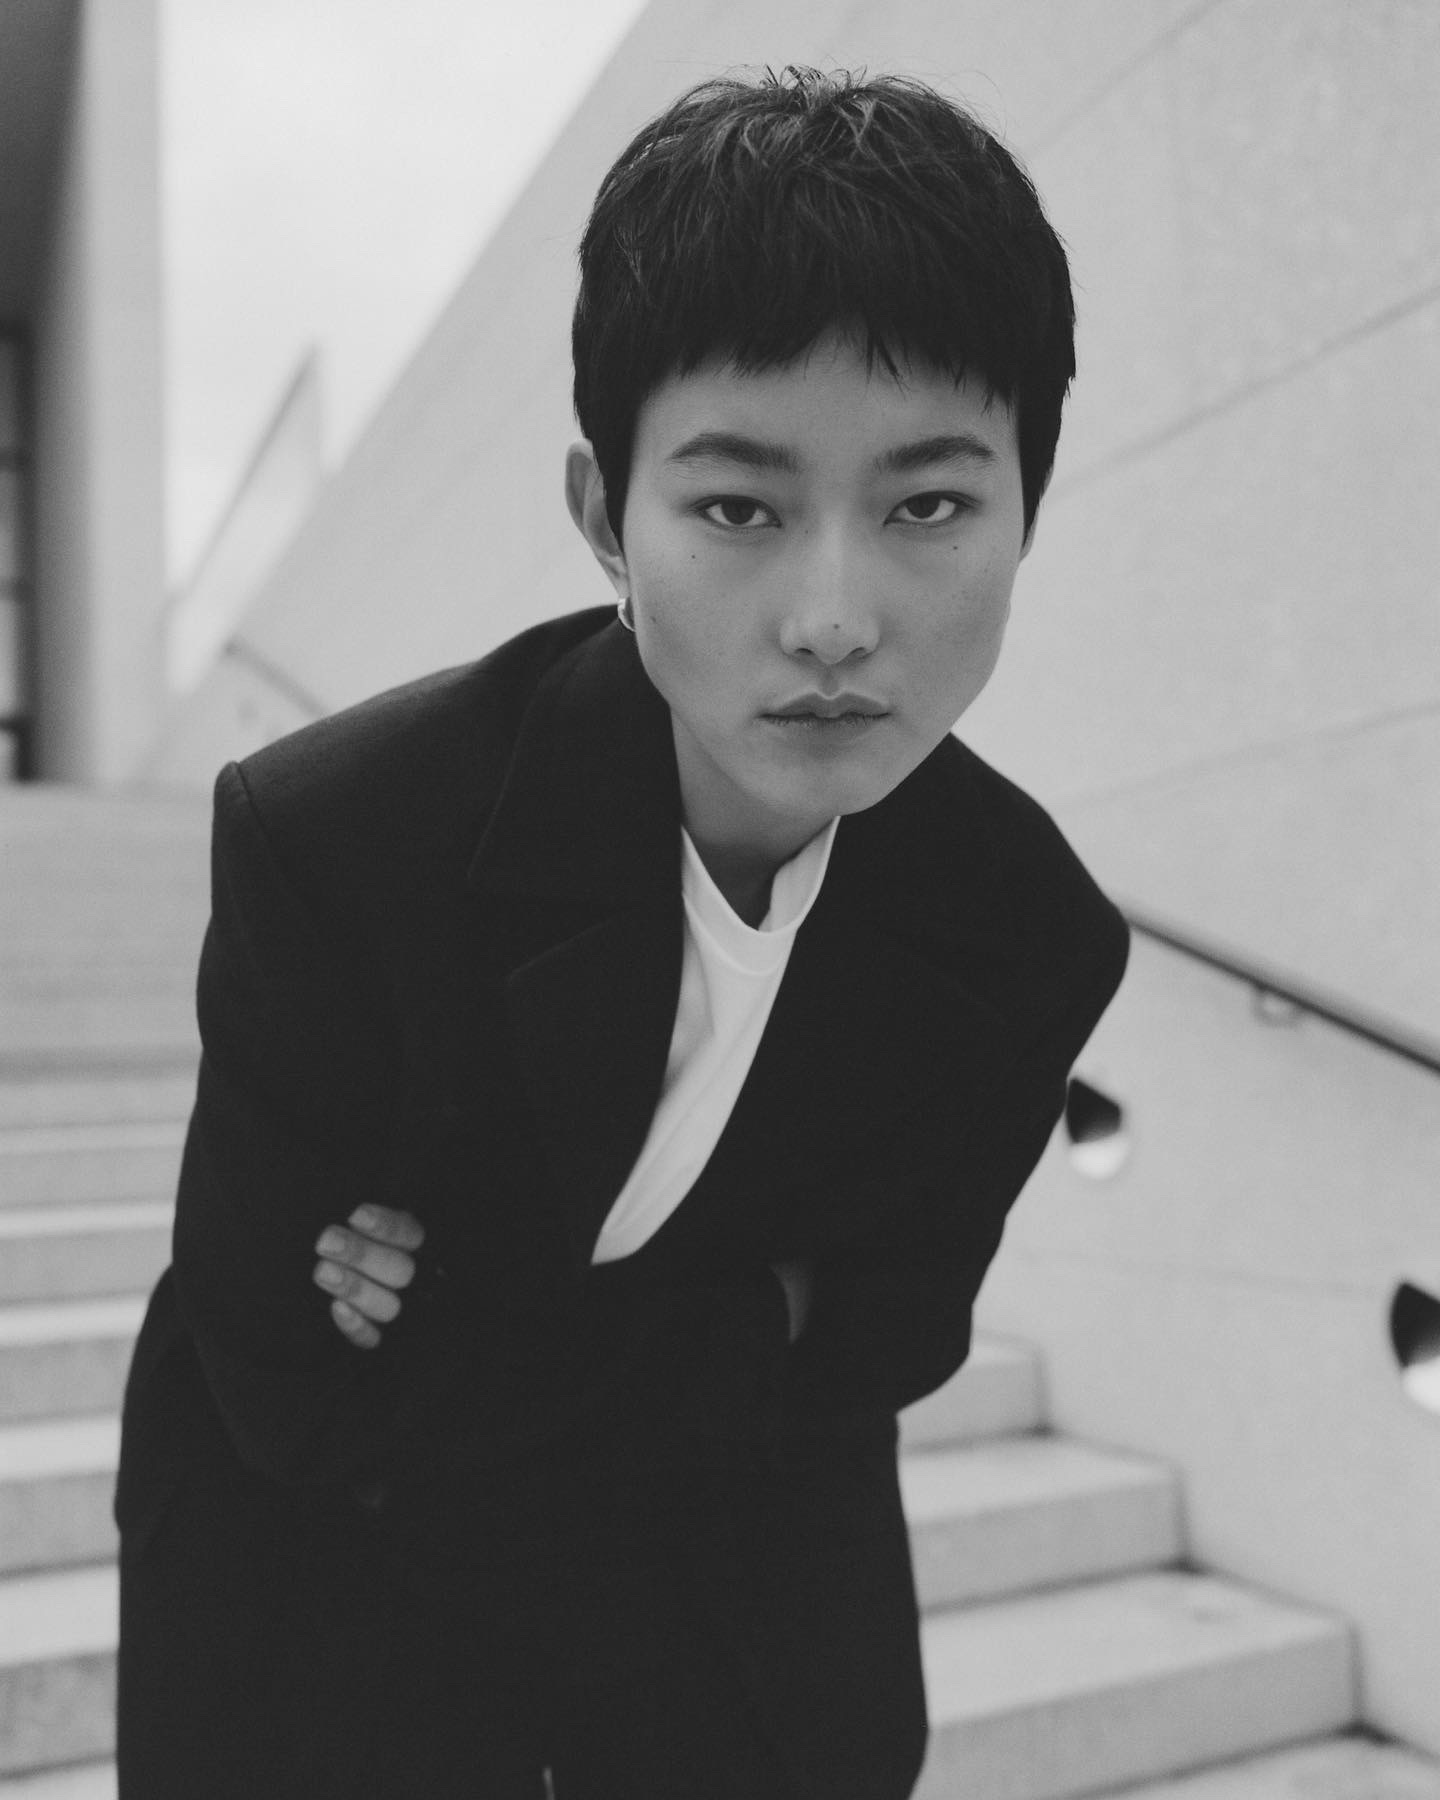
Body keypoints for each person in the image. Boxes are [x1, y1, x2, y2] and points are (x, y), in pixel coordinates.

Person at [115, 65, 1128, 1799]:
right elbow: (284, 1367)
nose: (833, 618)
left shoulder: (1025, 933)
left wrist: (472, 1297)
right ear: (606, 515)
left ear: (1028, 503)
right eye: (738, 507)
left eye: (929, 505)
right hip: (331, 1555)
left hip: (725, 1555)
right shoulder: (343, 838)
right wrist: (751, 1312)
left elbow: (891, 1338)